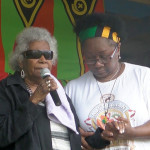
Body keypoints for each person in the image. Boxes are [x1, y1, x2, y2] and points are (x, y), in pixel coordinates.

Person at [65, 13, 150, 150]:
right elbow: (63, 130)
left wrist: (132, 132)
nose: (98, 64)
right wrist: (75, 137)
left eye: (104, 57)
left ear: (118, 49)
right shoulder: (73, 89)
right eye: (90, 58)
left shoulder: (144, 77)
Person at [0, 27, 81, 150]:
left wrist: (100, 138)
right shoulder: (6, 90)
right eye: (35, 54)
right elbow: (2, 135)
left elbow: (75, 137)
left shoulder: (59, 93)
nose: (43, 60)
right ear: (21, 61)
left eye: (47, 55)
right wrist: (34, 101)